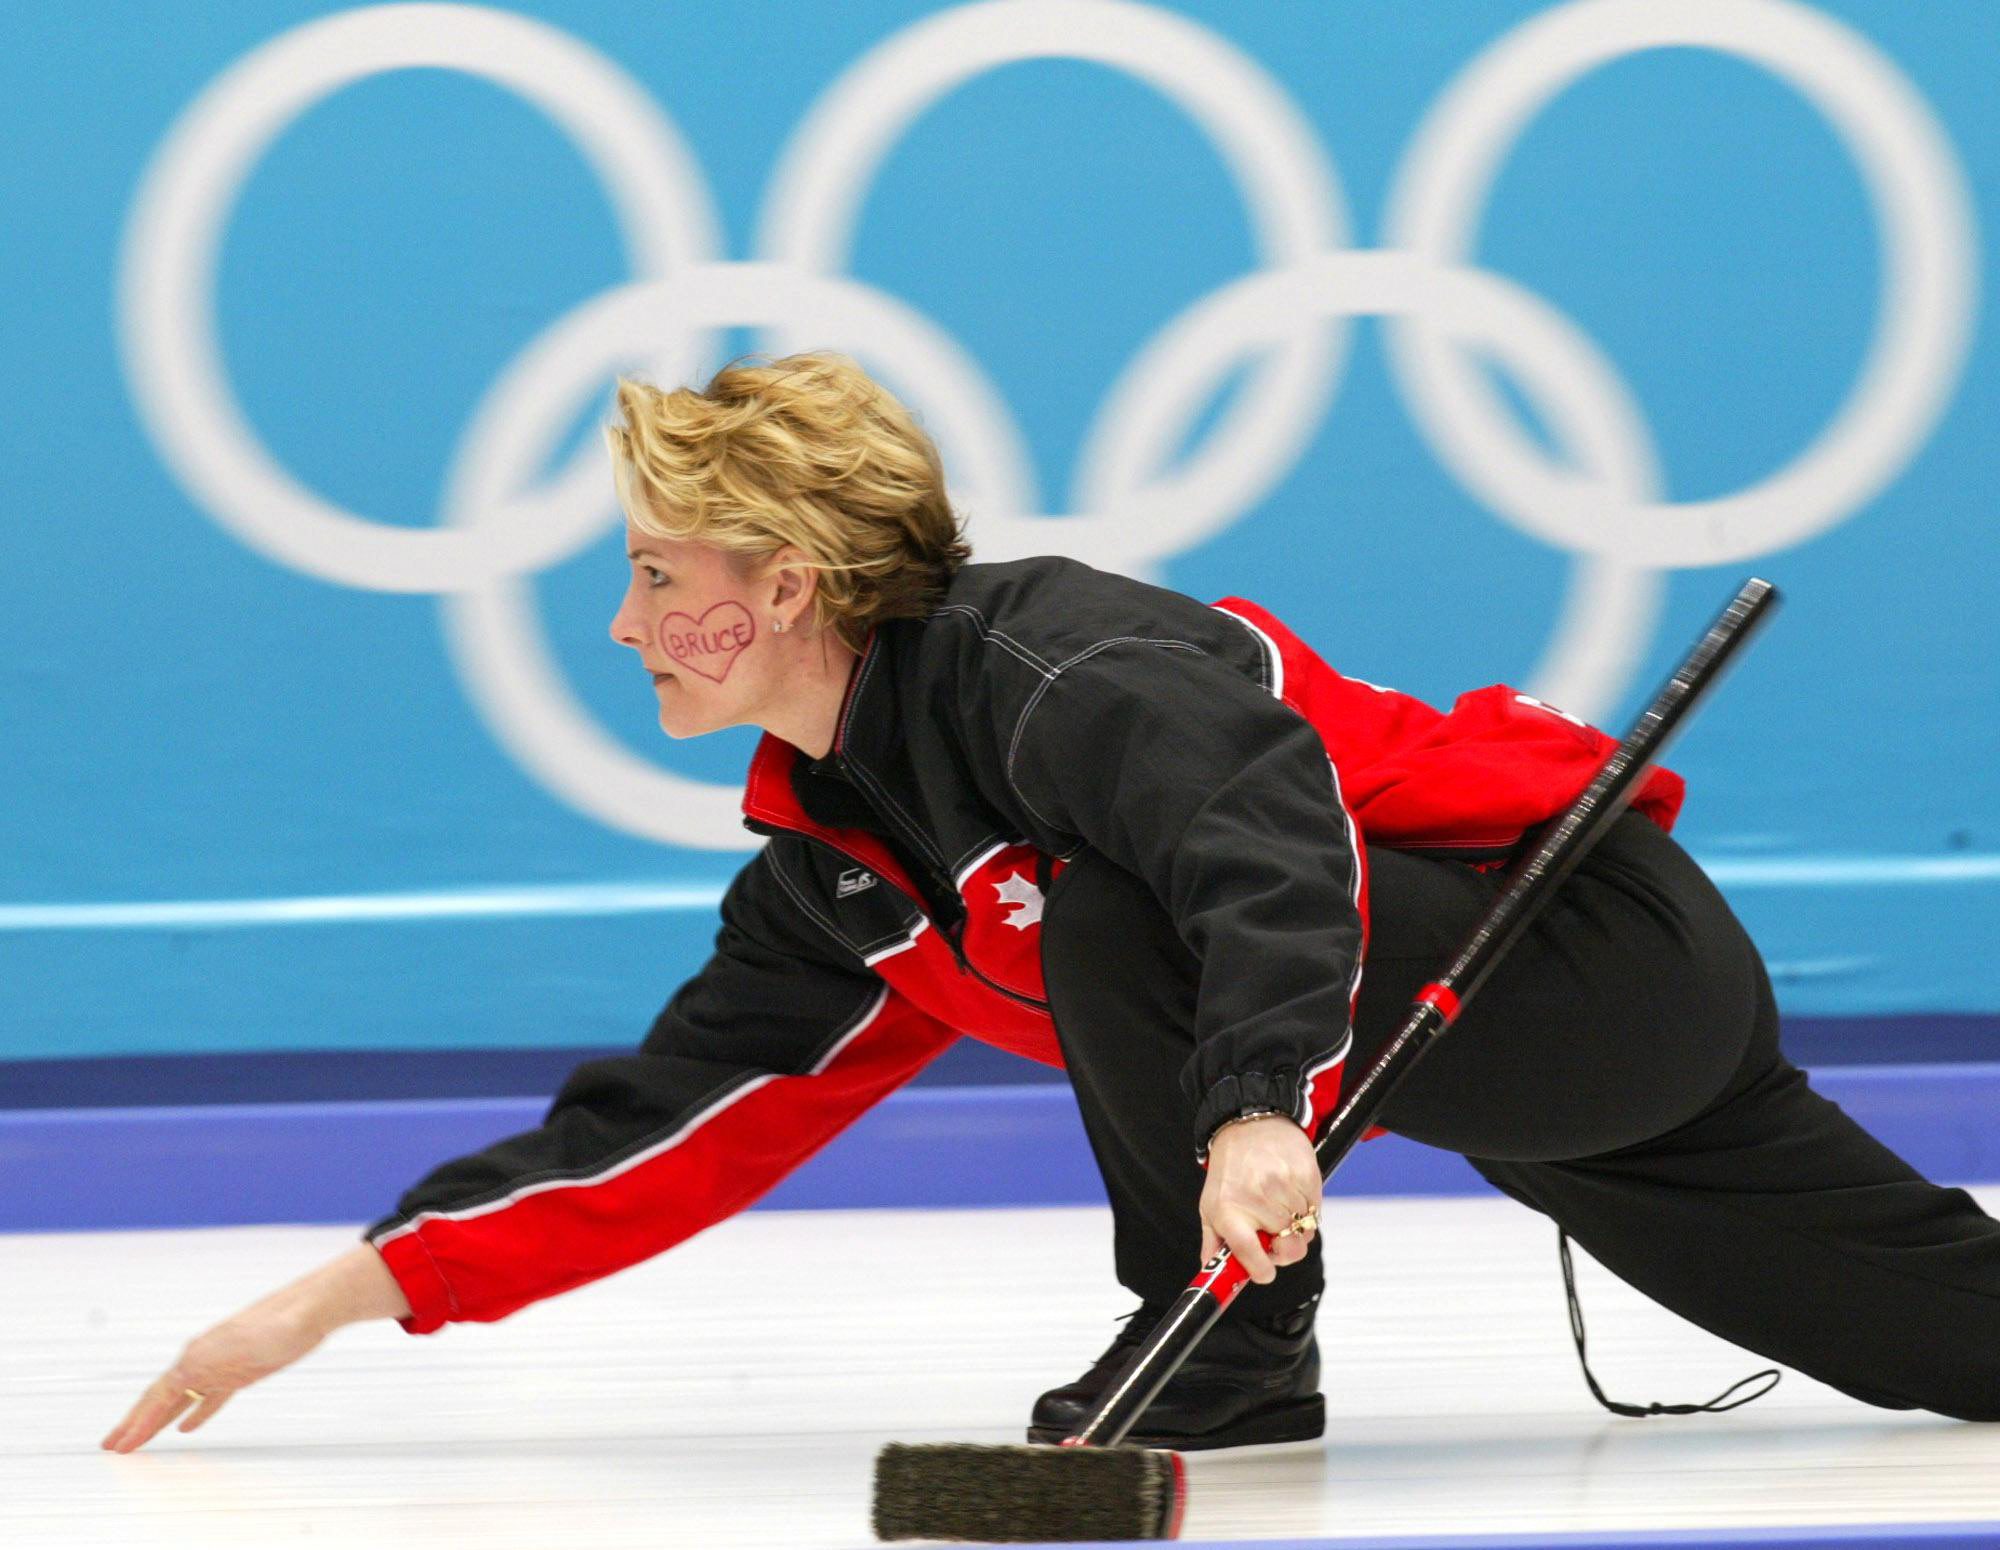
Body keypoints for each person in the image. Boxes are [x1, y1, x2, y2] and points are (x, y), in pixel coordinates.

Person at [104, 353, 2000, 1458]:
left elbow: (1260, 831)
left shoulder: (1054, 663)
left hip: (1584, 961)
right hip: (1489, 1074)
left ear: (776, 582)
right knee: (1962, 1346)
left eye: (651, 571)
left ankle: (1233, 1346)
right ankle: (1243, 1322)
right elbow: (677, 1119)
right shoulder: (842, 863)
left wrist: (1257, 1102)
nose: (619, 622)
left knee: (1111, 910)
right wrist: (352, 1292)